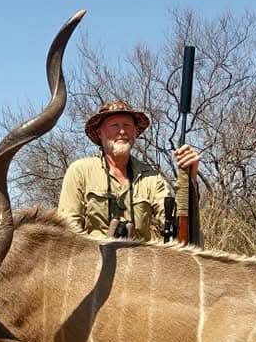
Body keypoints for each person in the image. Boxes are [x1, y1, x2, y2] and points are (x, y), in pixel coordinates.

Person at [57, 100, 199, 240]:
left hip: (140, 259)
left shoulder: (151, 177)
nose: (122, 131)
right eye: (114, 125)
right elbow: (67, 230)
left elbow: (175, 223)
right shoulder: (80, 171)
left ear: (135, 132)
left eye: (127, 125)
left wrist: (190, 176)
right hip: (94, 259)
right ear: (100, 133)